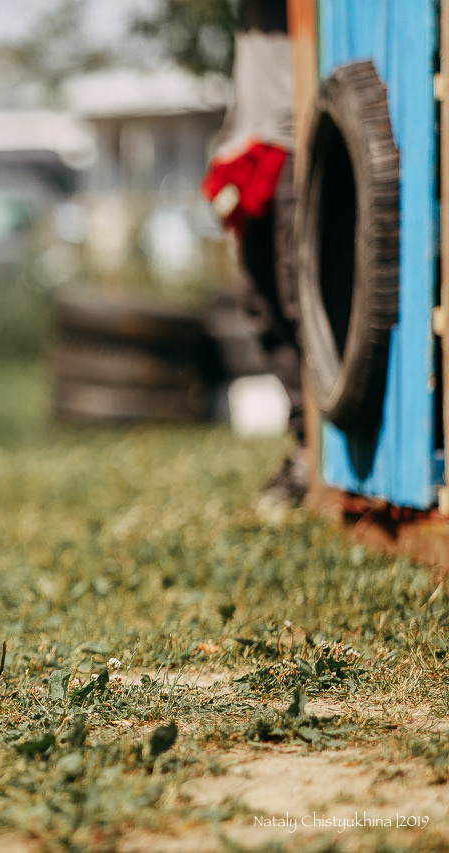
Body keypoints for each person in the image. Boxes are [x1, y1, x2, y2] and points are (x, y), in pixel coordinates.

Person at [202, 0, 307, 509]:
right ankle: (308, 444)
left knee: (301, 303)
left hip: (302, 136)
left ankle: (327, 451)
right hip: (254, 138)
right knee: (262, 305)